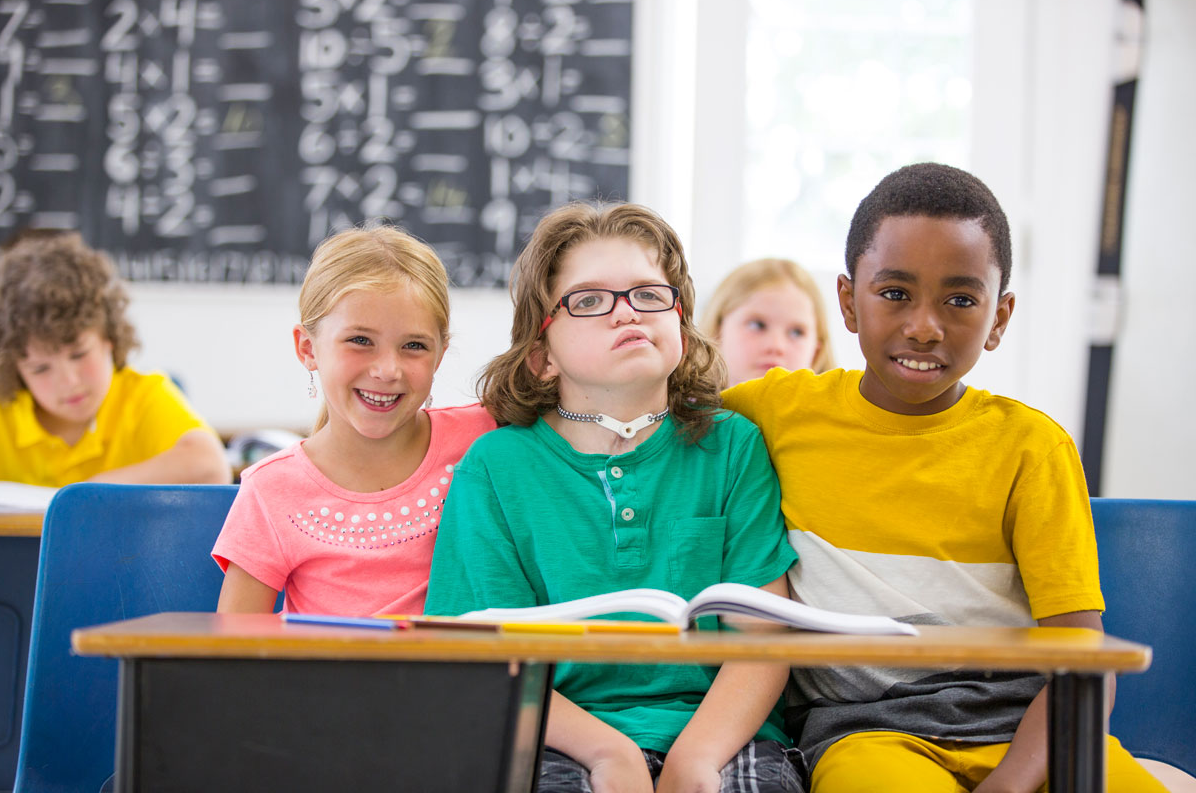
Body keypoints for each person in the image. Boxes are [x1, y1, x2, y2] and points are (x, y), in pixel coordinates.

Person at [721, 163, 1165, 793]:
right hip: (865, 732)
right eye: (895, 293)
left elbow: (1084, 662)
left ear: (1000, 318)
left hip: (1028, 733)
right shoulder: (772, 410)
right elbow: (654, 409)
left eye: (961, 300)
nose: (925, 325)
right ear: (848, 302)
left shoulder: (1031, 447)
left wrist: (1011, 784)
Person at [424, 202, 803, 793]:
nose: (626, 311)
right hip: (557, 737)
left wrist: (694, 760)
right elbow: (486, 655)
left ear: (679, 320)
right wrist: (610, 754)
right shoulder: (496, 468)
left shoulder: (734, 446)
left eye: (648, 294)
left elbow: (764, 642)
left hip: (724, 737)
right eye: (590, 299)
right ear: (541, 355)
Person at [212, 225, 496, 616]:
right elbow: (233, 648)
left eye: (414, 346)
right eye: (360, 341)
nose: (387, 370)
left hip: (465, 675)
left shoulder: (485, 438)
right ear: (307, 348)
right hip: (330, 677)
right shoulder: (270, 489)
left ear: (440, 356)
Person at [0, 229, 230, 486]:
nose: (69, 382)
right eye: (40, 369)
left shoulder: (141, 396)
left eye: (79, 354)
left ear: (109, 336)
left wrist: (85, 495)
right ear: (14, 368)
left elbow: (211, 467)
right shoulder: (4, 412)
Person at [701, 258, 836, 386]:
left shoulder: (835, 410)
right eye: (757, 325)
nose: (776, 346)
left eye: (796, 332)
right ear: (717, 331)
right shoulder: (685, 407)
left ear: (816, 351)